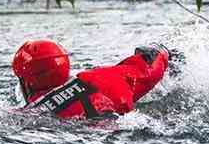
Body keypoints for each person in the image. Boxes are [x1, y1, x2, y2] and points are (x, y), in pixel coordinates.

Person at [13, 39, 172, 119]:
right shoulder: (102, 77)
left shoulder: (31, 114)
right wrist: (162, 52)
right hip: (127, 129)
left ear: (27, 82)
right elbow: (150, 67)